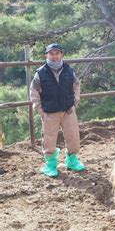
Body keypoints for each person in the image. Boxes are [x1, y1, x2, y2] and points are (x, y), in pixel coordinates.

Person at [30, 43, 86, 177]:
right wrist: (40, 110)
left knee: (73, 136)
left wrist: (74, 103)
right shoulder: (40, 73)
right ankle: (50, 165)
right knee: (49, 139)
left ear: (61, 54)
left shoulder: (69, 70)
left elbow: (76, 86)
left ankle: (72, 161)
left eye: (57, 53)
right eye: (51, 53)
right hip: (50, 112)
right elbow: (34, 92)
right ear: (47, 55)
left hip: (68, 110)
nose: (54, 56)